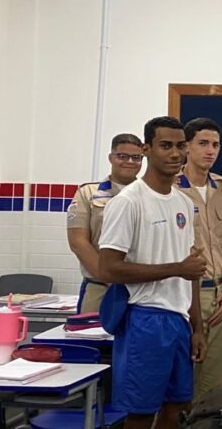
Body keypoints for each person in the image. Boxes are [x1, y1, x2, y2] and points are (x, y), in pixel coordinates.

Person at [97, 116, 206, 429]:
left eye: (180, 146)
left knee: (180, 408)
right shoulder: (128, 202)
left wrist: (197, 326)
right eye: (166, 146)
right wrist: (177, 269)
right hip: (144, 319)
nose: (175, 154)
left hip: (180, 320)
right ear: (147, 149)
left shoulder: (184, 203)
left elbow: (192, 270)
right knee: (141, 414)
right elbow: (109, 268)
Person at [174, 118, 222, 399]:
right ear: (186, 146)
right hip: (187, 294)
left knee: (213, 379)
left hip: (220, 292)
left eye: (215, 144)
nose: (210, 150)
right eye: (203, 143)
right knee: (185, 376)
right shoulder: (172, 189)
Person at [68, 133, 143, 313]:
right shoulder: (88, 193)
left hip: (140, 288)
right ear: (111, 158)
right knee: (92, 339)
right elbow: (78, 242)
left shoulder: (149, 194)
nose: (130, 162)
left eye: (136, 157)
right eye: (122, 156)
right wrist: (108, 275)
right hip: (99, 286)